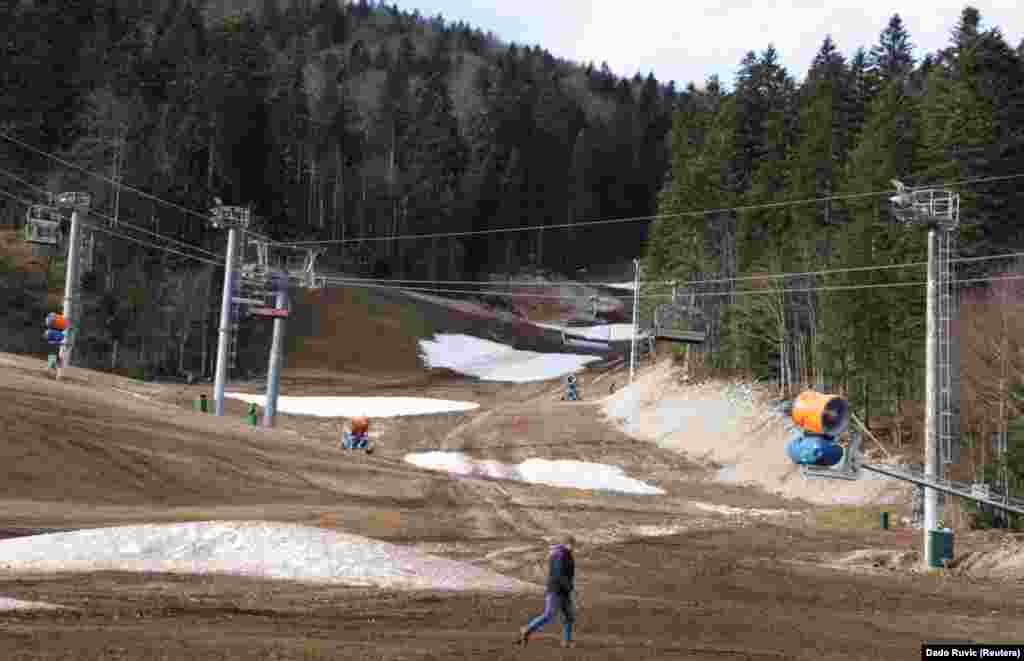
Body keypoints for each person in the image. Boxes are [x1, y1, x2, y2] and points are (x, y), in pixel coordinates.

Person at [518, 534, 576, 648]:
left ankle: (567, 641)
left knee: (569, 616)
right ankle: (526, 629)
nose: (573, 547)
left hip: (564, 590)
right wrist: (569, 587)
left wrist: (568, 588)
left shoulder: (567, 555)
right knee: (549, 614)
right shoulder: (560, 555)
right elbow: (559, 575)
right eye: (572, 544)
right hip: (555, 590)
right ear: (566, 544)